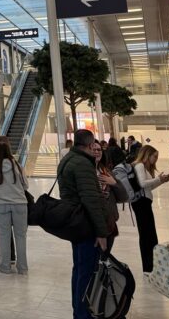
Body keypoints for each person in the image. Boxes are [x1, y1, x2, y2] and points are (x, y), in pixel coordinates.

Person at [58, 129, 109, 319]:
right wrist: (101, 232)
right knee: (87, 271)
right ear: (89, 144)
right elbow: (91, 200)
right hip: (85, 224)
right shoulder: (83, 164)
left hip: (75, 222)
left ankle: (78, 310)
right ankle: (82, 314)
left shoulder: (68, 159)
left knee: (79, 269)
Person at [0, 141, 28, 275]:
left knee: (4, 236)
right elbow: (25, 185)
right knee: (20, 237)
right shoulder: (18, 166)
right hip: (20, 204)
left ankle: (5, 267)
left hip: (1, 204)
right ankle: (22, 268)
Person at [131, 145, 169, 275]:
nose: (156, 159)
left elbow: (148, 188)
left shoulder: (144, 167)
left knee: (150, 234)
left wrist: (161, 181)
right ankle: (147, 267)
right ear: (147, 155)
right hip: (141, 203)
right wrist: (158, 179)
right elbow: (142, 184)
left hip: (145, 202)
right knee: (146, 235)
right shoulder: (139, 166)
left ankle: (151, 265)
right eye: (154, 156)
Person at [91, 141, 128, 253]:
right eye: (93, 149)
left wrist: (114, 183)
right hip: (92, 223)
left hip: (109, 221)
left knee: (105, 256)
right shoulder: (86, 172)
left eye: (99, 149)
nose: (97, 152)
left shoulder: (106, 171)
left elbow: (123, 197)